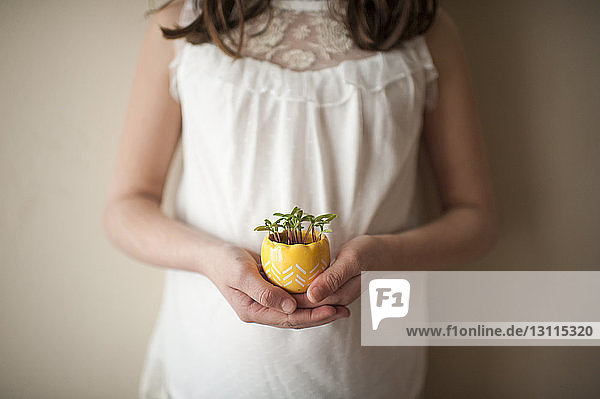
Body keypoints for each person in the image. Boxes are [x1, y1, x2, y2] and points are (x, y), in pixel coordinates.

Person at [103, 0, 497, 397]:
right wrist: (209, 258)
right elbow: (128, 205)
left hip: (367, 371)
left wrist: (383, 255)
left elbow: (474, 220)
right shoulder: (183, 23)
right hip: (210, 365)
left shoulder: (421, 27)